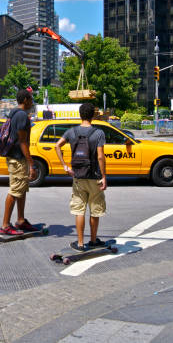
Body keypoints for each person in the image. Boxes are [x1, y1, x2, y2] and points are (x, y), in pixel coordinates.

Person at [54, 103, 107, 251]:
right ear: (93, 115)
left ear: (80, 114)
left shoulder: (71, 131)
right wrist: (104, 176)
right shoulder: (99, 133)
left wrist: (65, 166)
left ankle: (80, 243)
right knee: (95, 209)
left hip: (78, 176)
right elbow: (101, 157)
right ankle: (94, 240)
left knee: (79, 210)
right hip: (94, 176)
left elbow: (57, 145)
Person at [0, 89, 38, 235]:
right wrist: (31, 164)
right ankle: (5, 226)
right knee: (15, 191)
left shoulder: (14, 112)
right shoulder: (21, 115)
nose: (32, 102)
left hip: (15, 157)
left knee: (21, 189)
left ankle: (20, 220)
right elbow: (23, 142)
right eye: (31, 99)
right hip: (18, 158)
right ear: (26, 100)